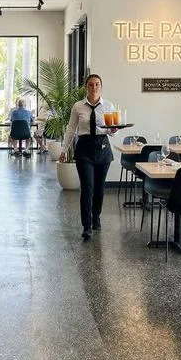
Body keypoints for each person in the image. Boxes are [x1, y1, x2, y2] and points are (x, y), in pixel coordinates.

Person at [60, 74, 119, 240]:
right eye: (91, 85)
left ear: (101, 86)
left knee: (99, 187)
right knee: (87, 188)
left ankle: (96, 217)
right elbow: (71, 129)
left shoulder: (108, 105)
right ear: (86, 87)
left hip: (102, 147)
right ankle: (86, 225)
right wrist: (64, 149)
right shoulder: (78, 106)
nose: (94, 87)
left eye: (97, 85)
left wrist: (112, 130)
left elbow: (111, 130)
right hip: (84, 148)